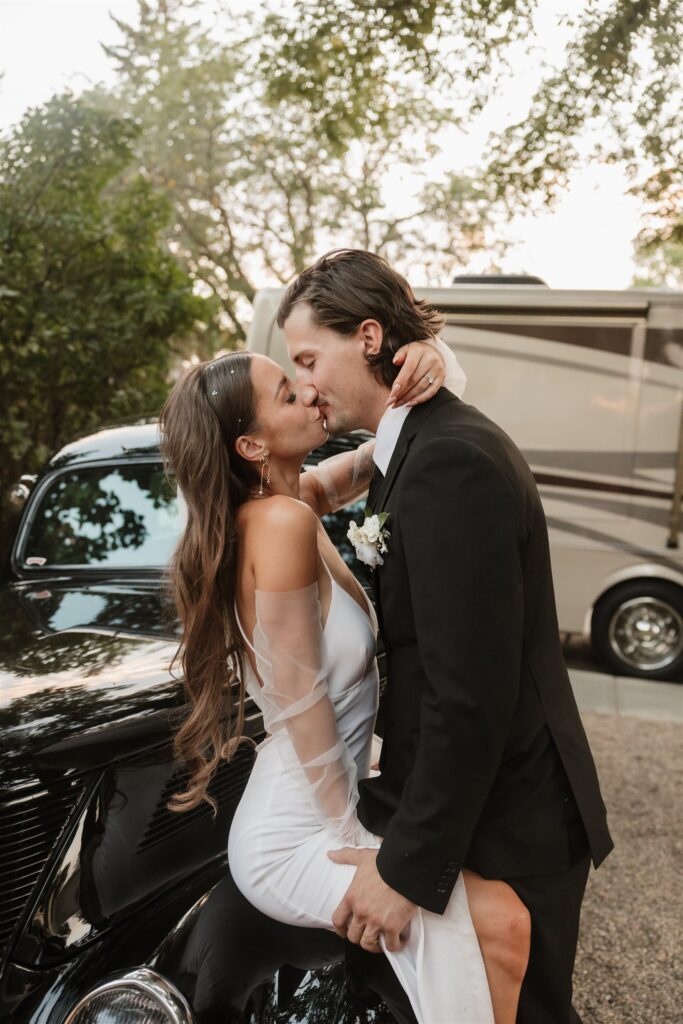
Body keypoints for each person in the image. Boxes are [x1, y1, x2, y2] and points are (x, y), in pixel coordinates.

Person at [278, 249, 615, 1024]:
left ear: (367, 337)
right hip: (478, 808)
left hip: (512, 821)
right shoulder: (410, 451)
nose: (302, 384)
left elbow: (470, 694)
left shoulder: (450, 460)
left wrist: (406, 867)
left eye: (306, 358)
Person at [159, 337, 534, 1024]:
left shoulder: (289, 501)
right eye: (285, 392)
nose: (306, 392)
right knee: (502, 927)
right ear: (250, 446)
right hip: (299, 828)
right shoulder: (276, 523)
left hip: (324, 803)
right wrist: (365, 846)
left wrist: (427, 368)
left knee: (501, 931)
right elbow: (302, 705)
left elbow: (368, 462)